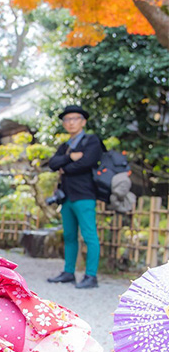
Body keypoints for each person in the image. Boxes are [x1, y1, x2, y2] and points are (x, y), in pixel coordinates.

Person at [47, 105, 103, 289]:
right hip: (66, 197)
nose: (71, 122)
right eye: (67, 119)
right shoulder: (65, 146)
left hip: (85, 195)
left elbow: (88, 161)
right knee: (69, 235)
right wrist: (71, 157)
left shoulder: (91, 141)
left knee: (89, 235)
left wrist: (65, 166)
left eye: (75, 119)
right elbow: (52, 163)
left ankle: (91, 276)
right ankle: (68, 272)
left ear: (83, 121)